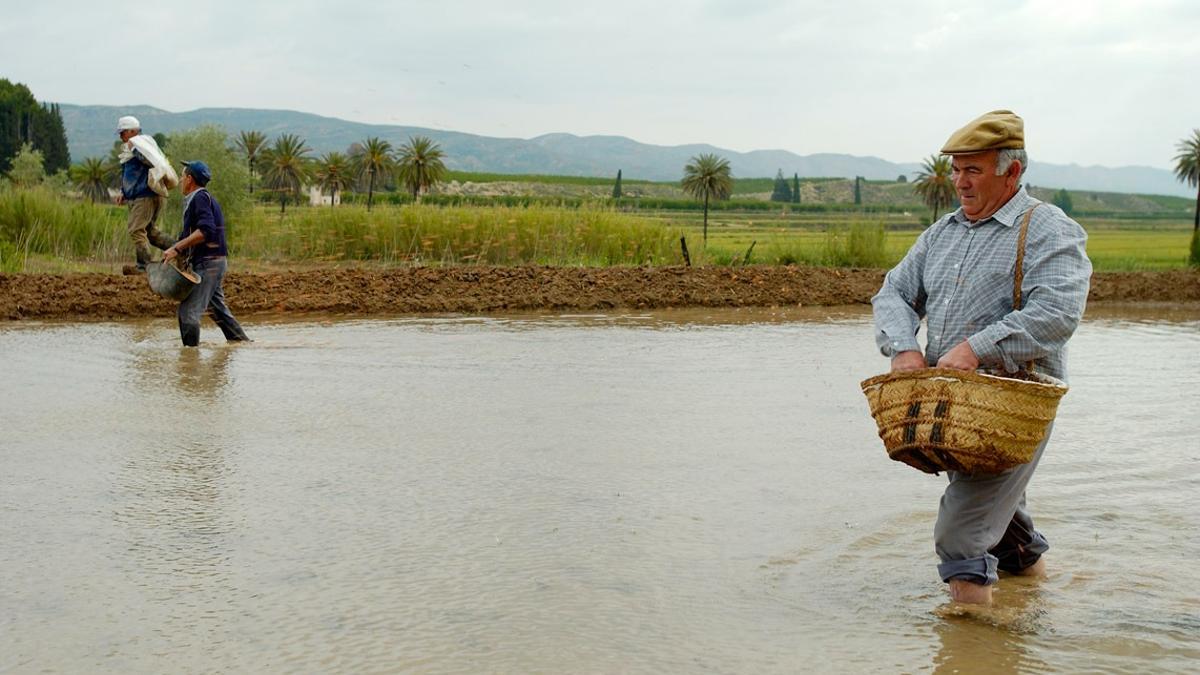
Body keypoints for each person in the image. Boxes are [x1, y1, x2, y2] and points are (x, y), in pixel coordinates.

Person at [871, 110, 1092, 605]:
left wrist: (976, 349)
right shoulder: (942, 234)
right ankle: (1044, 608)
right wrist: (904, 347)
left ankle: (975, 647)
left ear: (1012, 171)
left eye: (973, 170)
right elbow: (893, 293)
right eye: (955, 170)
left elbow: (1057, 313)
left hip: (1013, 412)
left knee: (961, 534)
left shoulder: (1048, 230)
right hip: (951, 411)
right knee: (1007, 530)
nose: (960, 183)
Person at [162, 160, 251, 347]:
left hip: (209, 263)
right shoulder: (199, 199)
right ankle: (242, 344)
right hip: (213, 261)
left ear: (189, 179)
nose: (179, 180)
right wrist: (178, 251)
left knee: (188, 312)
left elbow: (206, 231)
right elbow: (192, 234)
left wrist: (176, 248)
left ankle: (190, 358)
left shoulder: (200, 198)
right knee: (217, 311)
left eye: (181, 176)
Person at [116, 115, 174, 274]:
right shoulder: (137, 148)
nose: (121, 136)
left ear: (132, 132)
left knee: (136, 230)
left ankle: (145, 267)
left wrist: (135, 148)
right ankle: (182, 251)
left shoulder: (139, 147)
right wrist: (124, 192)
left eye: (123, 133)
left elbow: (152, 162)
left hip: (144, 196)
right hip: (145, 195)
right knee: (151, 233)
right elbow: (129, 173)